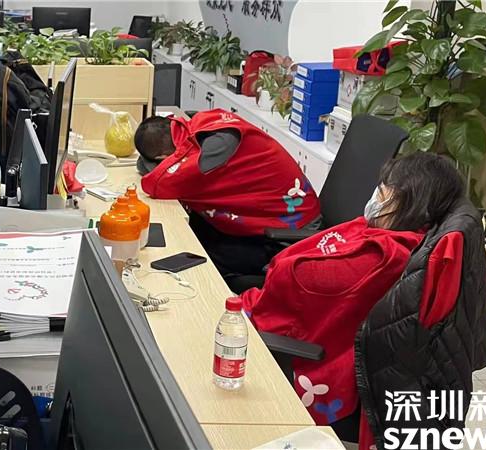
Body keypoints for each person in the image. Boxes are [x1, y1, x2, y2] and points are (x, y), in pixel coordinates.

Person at [240, 152, 468, 433]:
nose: (375, 198)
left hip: (298, 353)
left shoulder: (383, 257)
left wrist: (282, 266)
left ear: (411, 204)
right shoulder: (383, 228)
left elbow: (293, 279)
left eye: (383, 193)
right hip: (285, 314)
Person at [136, 109, 321, 280]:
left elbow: (156, 183)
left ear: (161, 158)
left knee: (196, 257)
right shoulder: (204, 123)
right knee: (195, 230)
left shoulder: (213, 150)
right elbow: (150, 167)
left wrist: (158, 166)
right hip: (281, 215)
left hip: (289, 235)